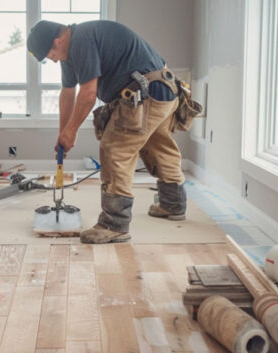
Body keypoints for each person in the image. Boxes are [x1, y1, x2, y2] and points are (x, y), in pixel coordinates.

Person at [27, 20, 187, 244]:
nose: (51, 59)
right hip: (162, 90)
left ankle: (114, 224)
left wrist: (71, 132)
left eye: (49, 54)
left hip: (145, 92)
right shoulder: (70, 52)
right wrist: (63, 132)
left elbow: (88, 94)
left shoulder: (81, 40)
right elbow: (68, 93)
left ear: (58, 40)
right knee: (158, 145)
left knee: (115, 150)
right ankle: (173, 204)